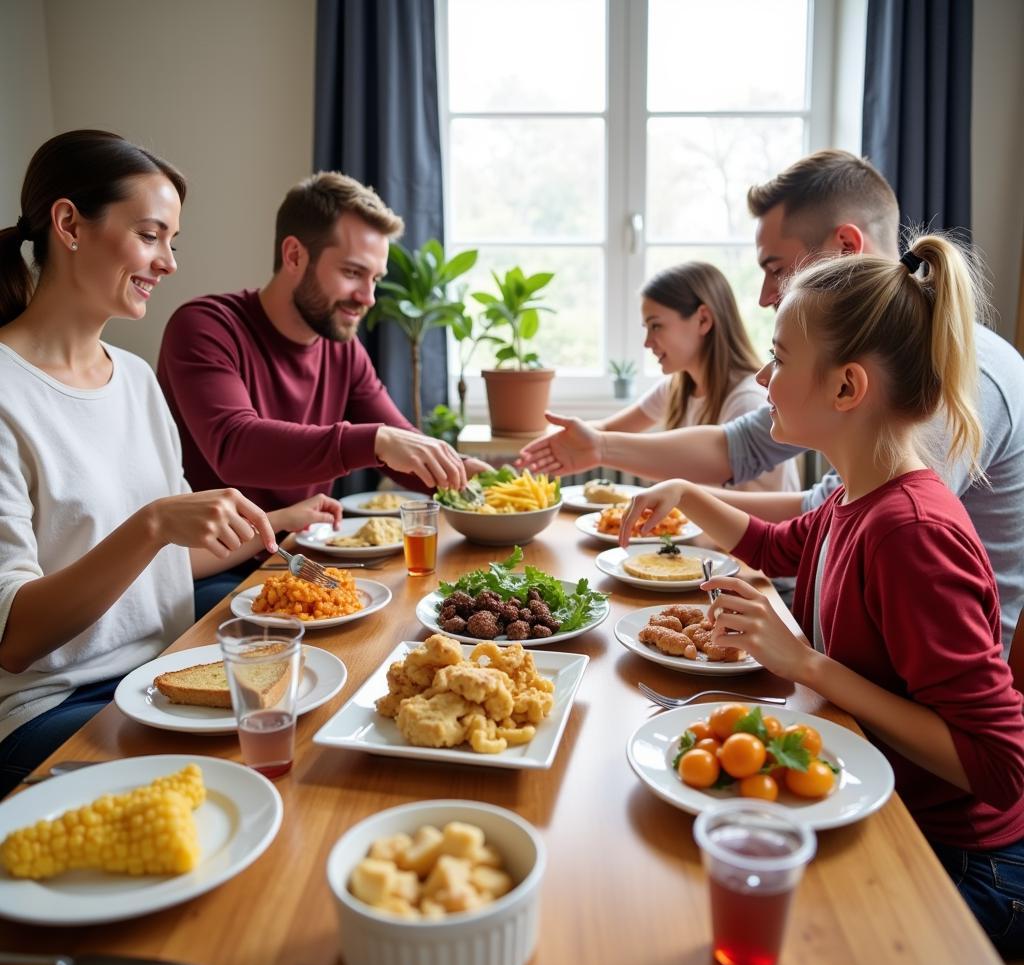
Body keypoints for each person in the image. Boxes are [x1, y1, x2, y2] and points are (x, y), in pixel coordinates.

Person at [621, 236, 1024, 953]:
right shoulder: (856, 497)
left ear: (846, 388)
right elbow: (778, 547)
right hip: (888, 804)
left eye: (779, 359)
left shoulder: (912, 532)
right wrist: (686, 493)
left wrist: (808, 666)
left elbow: (999, 766)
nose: (766, 381)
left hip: (967, 864)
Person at [519, 150, 1024, 645]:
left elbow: (847, 523)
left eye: (776, 267)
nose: (763, 296)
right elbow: (747, 451)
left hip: (920, 677)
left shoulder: (947, 385)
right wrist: (608, 451)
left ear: (847, 246)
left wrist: (801, 663)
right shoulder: (852, 426)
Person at [0, 130, 340, 795]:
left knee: (316, 724)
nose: (169, 263)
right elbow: (14, 637)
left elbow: (165, 565)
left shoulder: (132, 378)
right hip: (57, 709)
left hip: (166, 669)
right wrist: (154, 523)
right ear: (69, 224)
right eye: (152, 235)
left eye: (172, 242)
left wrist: (280, 518)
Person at [157, 170, 487, 517]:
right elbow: (234, 446)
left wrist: (471, 476)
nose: (369, 297)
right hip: (220, 565)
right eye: (352, 273)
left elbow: (402, 446)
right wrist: (377, 441)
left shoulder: (342, 348)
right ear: (295, 256)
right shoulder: (204, 327)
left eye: (375, 278)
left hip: (306, 552)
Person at [590, 262, 799, 491]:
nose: (647, 342)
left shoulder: (746, 400)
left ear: (703, 320)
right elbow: (607, 430)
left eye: (656, 326)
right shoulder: (676, 388)